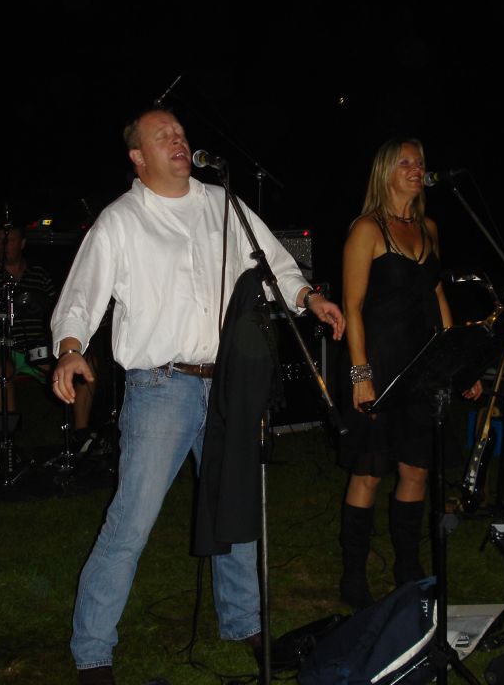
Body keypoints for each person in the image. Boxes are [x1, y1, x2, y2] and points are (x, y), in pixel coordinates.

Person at [49, 106, 345, 685]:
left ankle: (244, 622)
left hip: (229, 384)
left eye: (181, 133)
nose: (178, 141)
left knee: (235, 510)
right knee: (130, 524)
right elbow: (81, 294)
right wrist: (69, 347)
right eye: (163, 136)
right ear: (138, 157)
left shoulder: (222, 203)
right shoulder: (121, 220)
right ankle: (93, 652)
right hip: (161, 388)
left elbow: (273, 262)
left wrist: (308, 297)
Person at [337, 137, 482, 610]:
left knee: (416, 468)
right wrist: (360, 373)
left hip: (424, 365)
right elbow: (352, 307)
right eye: (405, 162)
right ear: (385, 172)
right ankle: (353, 575)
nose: (416, 168)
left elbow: (437, 297)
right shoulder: (367, 228)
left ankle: (407, 568)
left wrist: (459, 364)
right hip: (379, 362)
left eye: (420, 162)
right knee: (369, 471)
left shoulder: (429, 228)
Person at [0, 222, 96, 438]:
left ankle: (81, 436)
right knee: (3, 368)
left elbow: (59, 307)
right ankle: (7, 442)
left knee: (84, 363)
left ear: (22, 243)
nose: (2, 245)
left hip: (34, 347)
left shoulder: (38, 274)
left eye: (9, 240)